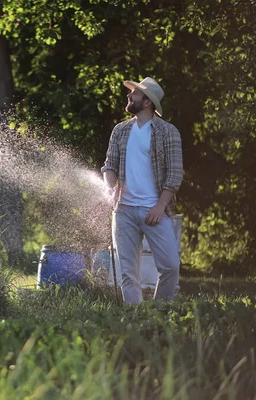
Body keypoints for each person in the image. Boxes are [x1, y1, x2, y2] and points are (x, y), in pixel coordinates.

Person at [101, 77, 183, 304]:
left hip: (154, 211)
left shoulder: (168, 132)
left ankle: (159, 313)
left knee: (170, 267)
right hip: (124, 211)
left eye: (135, 94)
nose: (129, 96)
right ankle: (134, 321)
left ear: (148, 102)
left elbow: (175, 174)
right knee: (128, 274)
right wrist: (110, 187)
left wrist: (160, 206)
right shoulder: (120, 130)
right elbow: (109, 166)